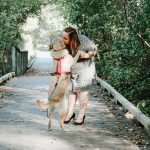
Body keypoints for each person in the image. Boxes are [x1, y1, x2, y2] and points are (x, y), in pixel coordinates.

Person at [61, 27, 97, 125]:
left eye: (65, 38)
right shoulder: (61, 43)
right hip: (72, 70)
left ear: (73, 38)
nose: (63, 39)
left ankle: (81, 115)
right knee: (72, 91)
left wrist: (87, 55)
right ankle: (70, 113)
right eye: (62, 37)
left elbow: (94, 51)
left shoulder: (83, 40)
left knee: (83, 92)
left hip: (85, 68)